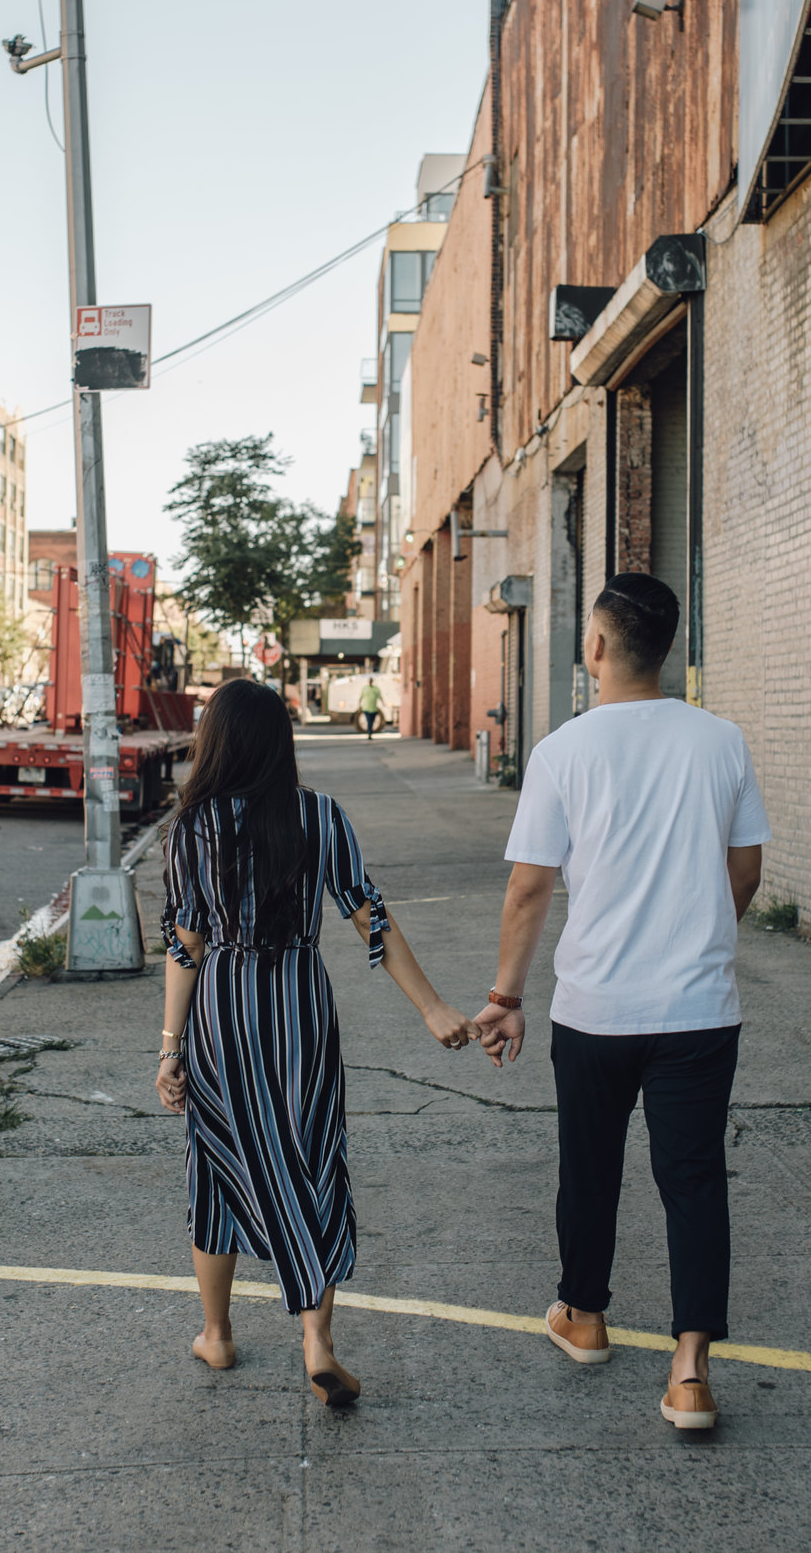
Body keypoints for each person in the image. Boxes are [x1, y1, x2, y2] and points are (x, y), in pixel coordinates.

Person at [473, 573, 770, 1431]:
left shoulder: (564, 751)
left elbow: (529, 889)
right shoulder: (722, 742)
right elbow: (744, 869)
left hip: (596, 1007)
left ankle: (585, 1314)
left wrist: (505, 996)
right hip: (699, 1010)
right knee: (694, 1178)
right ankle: (689, 1373)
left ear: (596, 647)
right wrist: (703, 932)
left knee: (590, 1165)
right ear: (667, 648)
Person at [155, 678, 477, 1407]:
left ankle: (218, 1333)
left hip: (222, 1011)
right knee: (311, 1157)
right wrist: (430, 1006)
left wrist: (171, 1047)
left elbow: (186, 947)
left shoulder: (192, 826)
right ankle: (317, 1336)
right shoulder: (320, 817)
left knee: (215, 1164)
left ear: (216, 742)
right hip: (301, 1004)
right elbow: (371, 918)